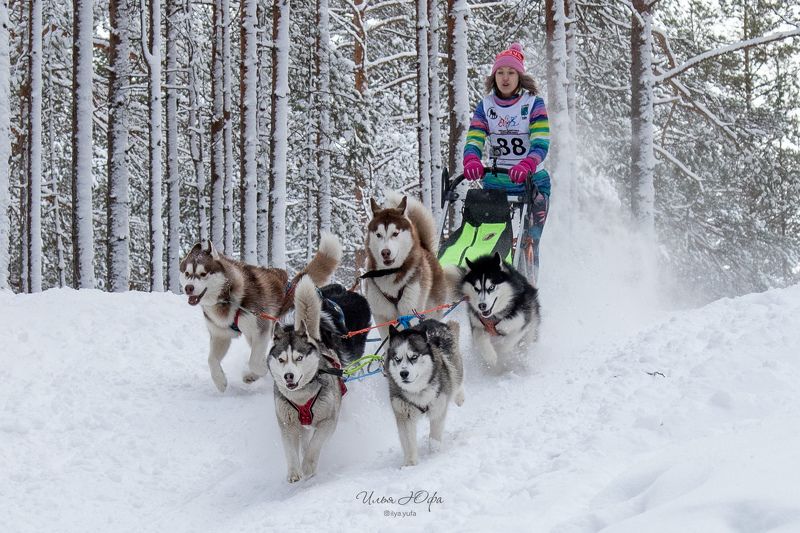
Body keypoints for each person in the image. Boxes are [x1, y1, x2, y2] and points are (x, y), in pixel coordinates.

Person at [462, 42, 550, 284]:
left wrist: (527, 164)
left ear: (519, 76)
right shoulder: (486, 106)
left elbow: (541, 142)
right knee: (490, 239)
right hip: (497, 181)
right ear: (494, 76)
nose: (505, 78)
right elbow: (475, 137)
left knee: (528, 241)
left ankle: (528, 288)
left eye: (511, 73)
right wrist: (471, 158)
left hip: (532, 183)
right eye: (500, 72)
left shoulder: (533, 104)